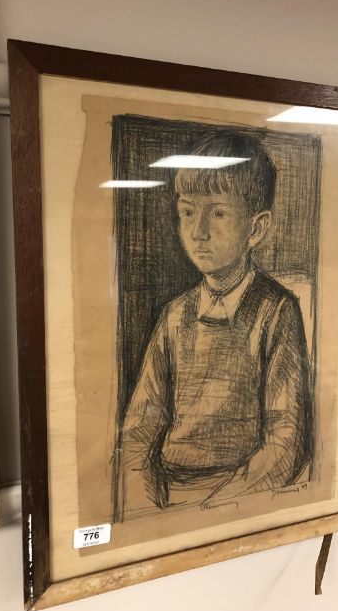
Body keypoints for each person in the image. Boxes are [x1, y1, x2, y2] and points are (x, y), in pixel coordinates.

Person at [122, 129, 313, 512]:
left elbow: (285, 441)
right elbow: (138, 432)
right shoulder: (174, 315)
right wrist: (145, 507)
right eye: (188, 212)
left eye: (219, 213)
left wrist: (214, 509)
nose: (199, 232)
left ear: (255, 229)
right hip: (166, 497)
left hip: (240, 497)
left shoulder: (276, 311)